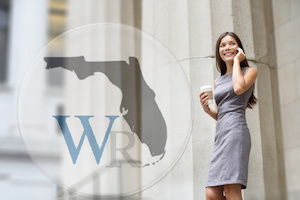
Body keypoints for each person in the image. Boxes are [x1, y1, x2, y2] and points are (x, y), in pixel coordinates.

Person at [199, 32, 258, 200]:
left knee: (232, 191)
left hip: (236, 133)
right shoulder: (218, 81)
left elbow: (239, 88)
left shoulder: (250, 71)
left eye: (232, 44)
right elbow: (222, 114)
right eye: (222, 45)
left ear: (239, 48)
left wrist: (238, 62)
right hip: (221, 136)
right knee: (211, 193)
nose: (227, 48)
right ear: (219, 51)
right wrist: (207, 110)